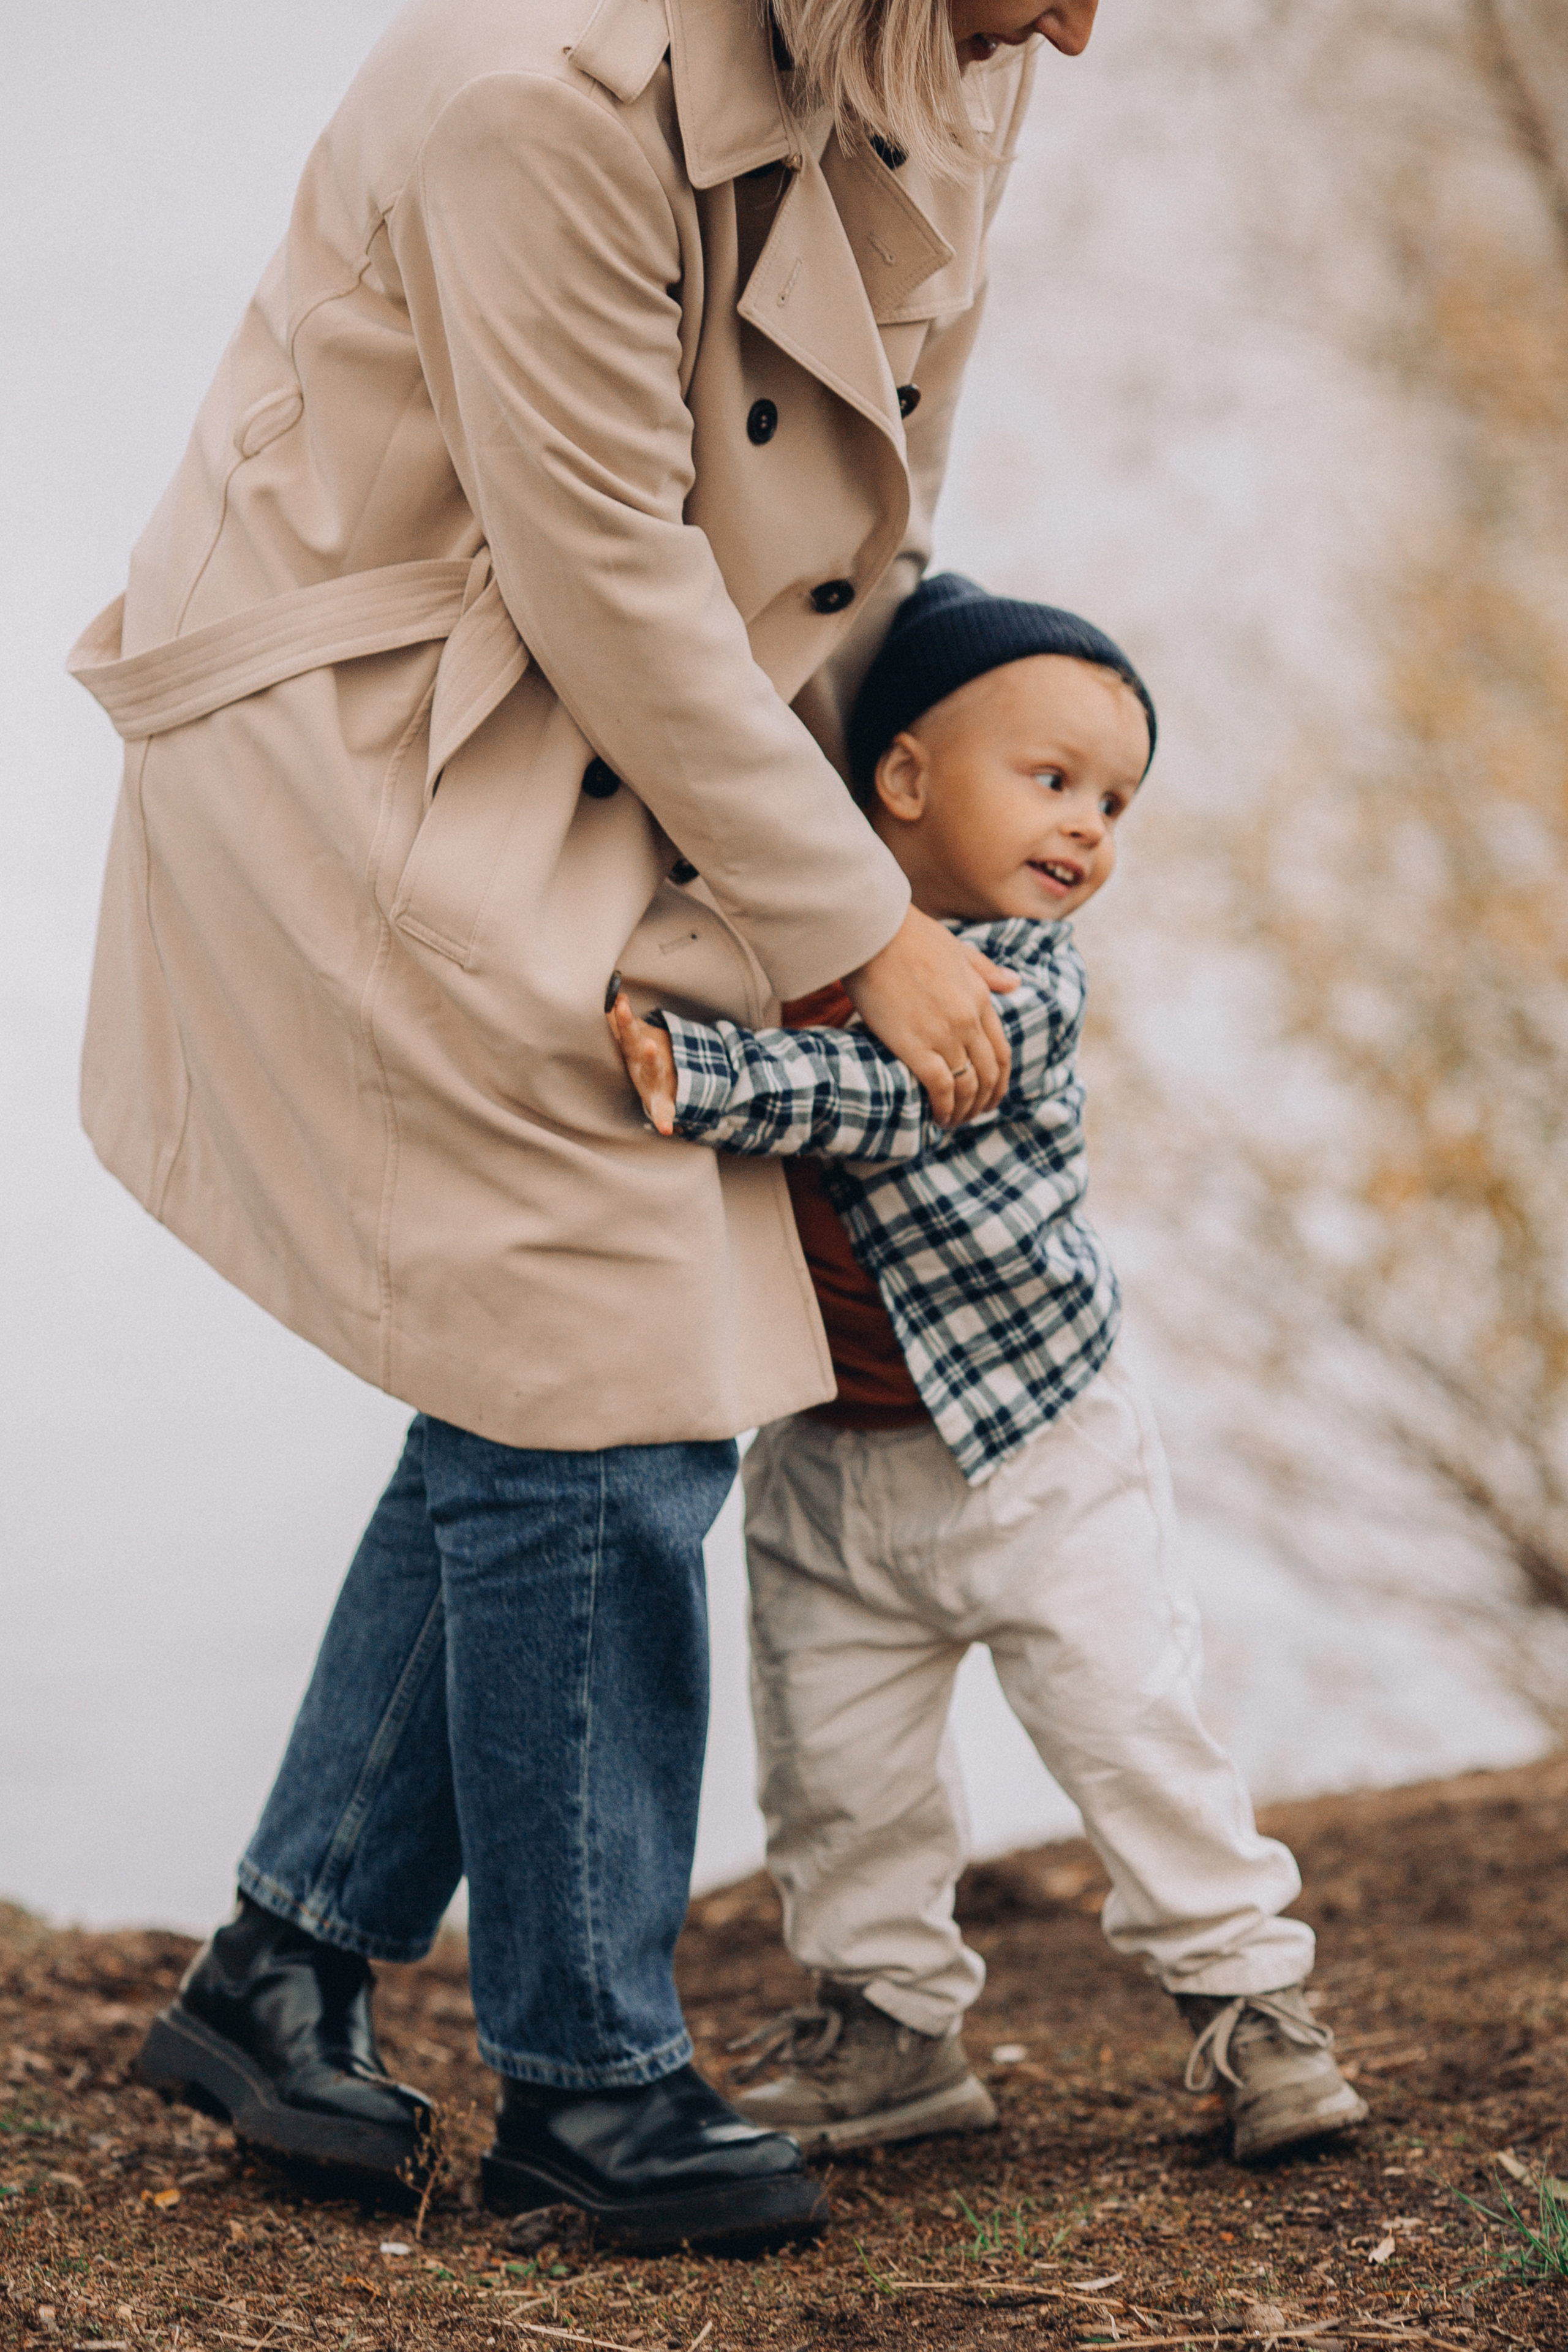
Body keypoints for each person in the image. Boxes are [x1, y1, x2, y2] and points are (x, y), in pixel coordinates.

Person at [70, 0, 1108, 2258]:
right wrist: (859, 937)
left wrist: (929, 817)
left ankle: (287, 1961)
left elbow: (854, 528)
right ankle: (588, 2083)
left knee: (552, 1358)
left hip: (617, 729)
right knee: (616, 1371)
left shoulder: (949, 51)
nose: (1085, 23)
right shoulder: (541, 97)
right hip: (369, 734)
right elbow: (598, 555)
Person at [608, 573, 1370, 2168]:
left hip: (1039, 1454)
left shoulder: (1018, 975)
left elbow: (885, 1097)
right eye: (1055, 779)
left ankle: (1253, 2010)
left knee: (1130, 1728)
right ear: (900, 778)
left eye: (1116, 802)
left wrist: (701, 1073)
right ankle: (889, 2032)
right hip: (829, 1458)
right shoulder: (767, 937)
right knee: (836, 1773)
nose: (1092, 826)